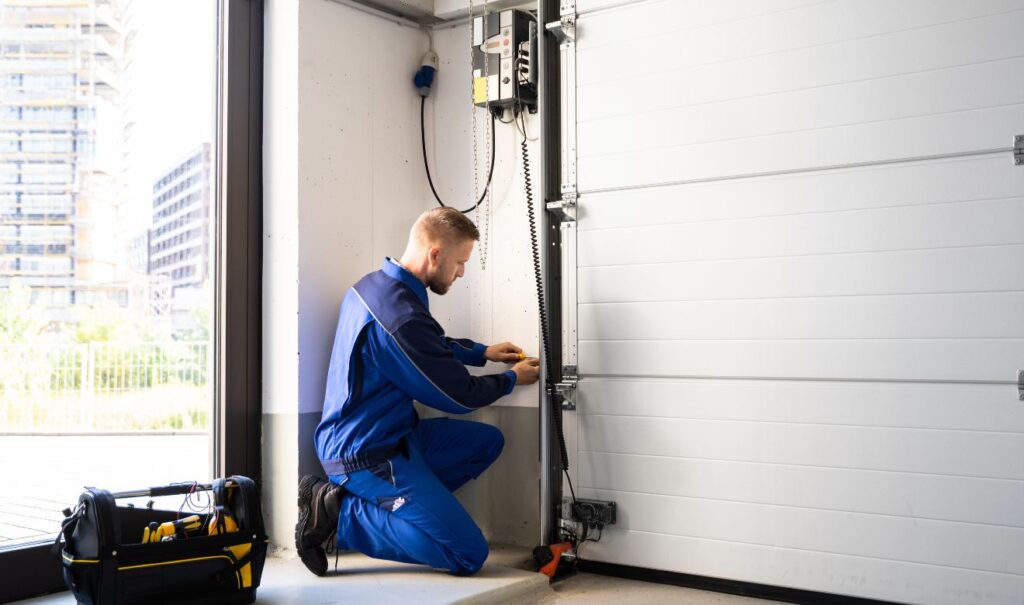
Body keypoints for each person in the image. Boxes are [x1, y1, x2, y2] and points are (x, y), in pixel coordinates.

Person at [296, 207, 541, 577]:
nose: (461, 272)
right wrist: (510, 379)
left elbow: (429, 345)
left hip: (397, 436)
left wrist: (481, 352)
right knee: (468, 554)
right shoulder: (398, 318)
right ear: (435, 255)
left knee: (486, 442)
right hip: (364, 455)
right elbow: (459, 396)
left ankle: (405, 511)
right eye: (460, 262)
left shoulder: (376, 287)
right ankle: (340, 515)